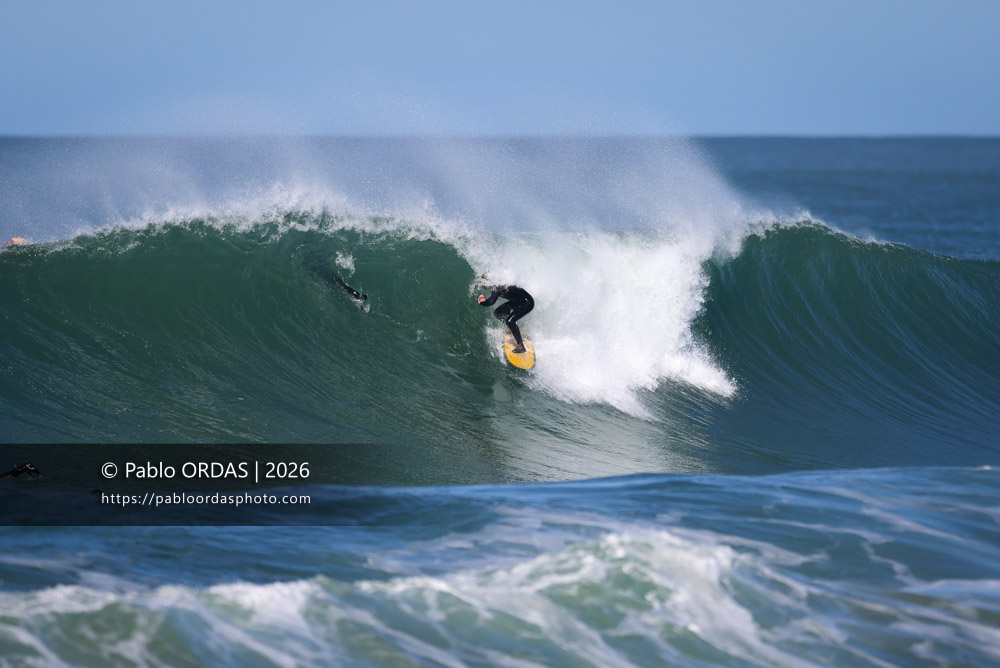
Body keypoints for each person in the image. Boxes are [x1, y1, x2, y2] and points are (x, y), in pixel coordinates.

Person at [478, 281, 534, 353]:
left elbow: (491, 302)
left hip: (527, 303)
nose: (482, 284)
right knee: (498, 313)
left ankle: (521, 347)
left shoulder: (497, 287)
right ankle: (513, 328)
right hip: (517, 301)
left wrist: (482, 302)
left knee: (509, 321)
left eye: (483, 282)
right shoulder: (495, 285)